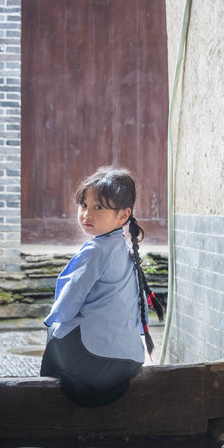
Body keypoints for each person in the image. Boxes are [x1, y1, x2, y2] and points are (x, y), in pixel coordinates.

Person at [41, 166, 164, 407]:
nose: (86, 214)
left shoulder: (95, 250)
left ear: (123, 215)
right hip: (128, 361)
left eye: (98, 207)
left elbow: (67, 304)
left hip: (95, 363)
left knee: (55, 328)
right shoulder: (126, 248)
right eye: (83, 205)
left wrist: (51, 323)